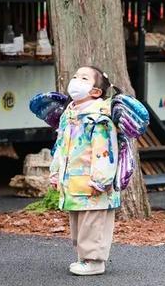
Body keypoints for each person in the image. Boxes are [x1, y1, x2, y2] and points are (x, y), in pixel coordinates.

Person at [49, 66, 120, 275]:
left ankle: (94, 261)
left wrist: (101, 179)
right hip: (73, 180)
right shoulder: (69, 114)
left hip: (94, 183)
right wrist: (56, 172)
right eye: (75, 76)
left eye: (84, 78)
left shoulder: (99, 117)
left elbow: (104, 150)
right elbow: (60, 146)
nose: (76, 80)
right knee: (79, 221)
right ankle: (84, 258)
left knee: (93, 222)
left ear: (96, 92)